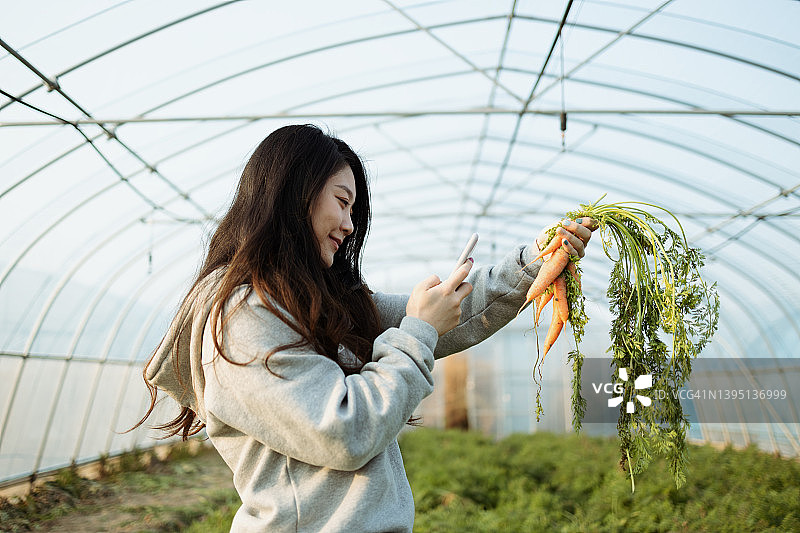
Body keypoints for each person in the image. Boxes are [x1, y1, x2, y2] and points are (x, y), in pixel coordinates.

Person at [136, 124, 594, 532]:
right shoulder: (243, 316)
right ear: (296, 193)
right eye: (342, 202)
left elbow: (453, 311)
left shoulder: (311, 305)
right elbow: (342, 430)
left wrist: (533, 265)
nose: (350, 225)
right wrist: (417, 332)